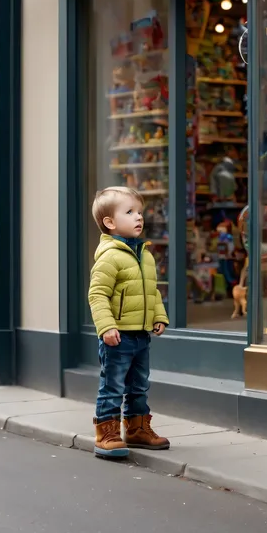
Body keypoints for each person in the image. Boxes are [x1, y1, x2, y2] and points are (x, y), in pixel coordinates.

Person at [88, 186, 170, 459]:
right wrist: (106, 326)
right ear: (109, 223)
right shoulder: (110, 256)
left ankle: (137, 429)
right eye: (130, 212)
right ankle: (106, 433)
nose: (139, 217)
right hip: (118, 335)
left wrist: (159, 315)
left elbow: (152, 290)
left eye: (140, 212)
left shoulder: (144, 254)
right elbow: (97, 294)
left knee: (139, 384)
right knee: (113, 385)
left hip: (141, 334)